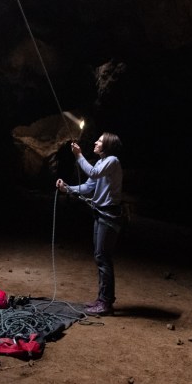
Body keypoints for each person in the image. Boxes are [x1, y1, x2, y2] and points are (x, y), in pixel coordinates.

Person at [55, 132, 124, 316]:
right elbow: (88, 186)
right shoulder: (101, 162)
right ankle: (102, 300)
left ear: (107, 145)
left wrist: (78, 155)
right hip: (100, 214)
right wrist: (68, 188)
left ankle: (106, 303)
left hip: (109, 216)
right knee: (100, 257)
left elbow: (92, 173)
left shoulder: (113, 161)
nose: (95, 142)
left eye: (100, 141)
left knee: (103, 258)